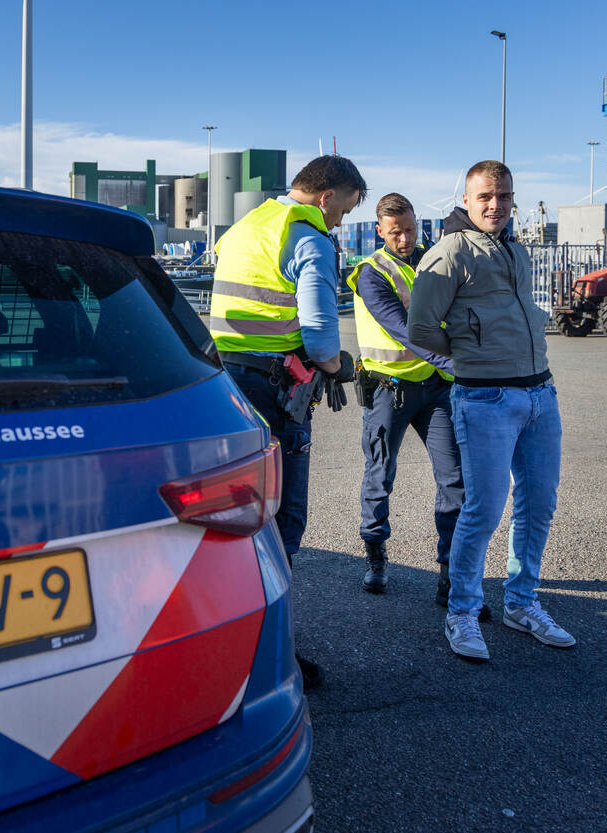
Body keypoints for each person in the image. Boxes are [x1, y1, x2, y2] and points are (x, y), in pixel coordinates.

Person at [407, 160, 575, 662]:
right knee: (482, 510)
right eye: (484, 197)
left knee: (539, 503)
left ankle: (521, 603)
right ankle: (461, 611)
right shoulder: (451, 251)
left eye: (502, 196)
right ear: (466, 199)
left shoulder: (516, 250)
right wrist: (466, 356)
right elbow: (420, 329)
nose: (495, 205)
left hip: (539, 395)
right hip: (484, 398)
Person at [209, 155, 365, 687]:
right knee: (282, 525)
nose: (340, 221)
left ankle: (228, 641)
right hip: (275, 392)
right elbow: (322, 336)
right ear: (326, 197)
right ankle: (271, 656)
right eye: (344, 208)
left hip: (227, 384)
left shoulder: (246, 227)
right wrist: (337, 366)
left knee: (241, 521)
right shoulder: (308, 237)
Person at [345, 193, 489, 620]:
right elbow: (405, 328)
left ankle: (451, 573)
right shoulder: (370, 274)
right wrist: (456, 363)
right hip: (390, 391)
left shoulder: (432, 259)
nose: (405, 239)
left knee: (455, 479)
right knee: (379, 475)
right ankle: (375, 553)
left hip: (434, 390)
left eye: (409, 229)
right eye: (395, 233)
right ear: (379, 232)